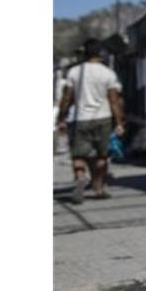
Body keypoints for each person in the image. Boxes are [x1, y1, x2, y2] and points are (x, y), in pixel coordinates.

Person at [57, 39, 125, 204]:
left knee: (79, 154)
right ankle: (98, 187)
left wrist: (62, 117)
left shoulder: (74, 72)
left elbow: (67, 98)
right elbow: (114, 100)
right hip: (103, 118)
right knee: (101, 155)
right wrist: (119, 122)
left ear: (84, 53)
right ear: (100, 54)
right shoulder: (108, 73)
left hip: (80, 119)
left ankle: (80, 177)